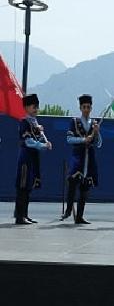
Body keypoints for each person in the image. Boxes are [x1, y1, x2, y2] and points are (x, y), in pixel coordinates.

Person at [61, 94, 102, 224]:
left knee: (85, 188)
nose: (86, 109)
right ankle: (68, 210)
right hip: (78, 156)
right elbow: (69, 139)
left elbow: (99, 143)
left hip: (89, 159)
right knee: (73, 183)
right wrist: (83, 139)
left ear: (91, 108)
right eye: (84, 107)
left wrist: (97, 132)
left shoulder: (94, 124)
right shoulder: (74, 122)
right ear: (80, 108)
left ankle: (79, 216)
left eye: (88, 107)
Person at [14, 94, 52, 225]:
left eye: (37, 106)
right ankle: (19, 216)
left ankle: (25, 214)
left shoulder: (35, 123)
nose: (36, 109)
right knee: (22, 187)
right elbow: (29, 141)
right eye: (33, 106)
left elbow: (38, 138)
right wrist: (42, 145)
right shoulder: (24, 122)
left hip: (33, 158)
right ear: (26, 108)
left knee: (28, 187)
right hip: (25, 158)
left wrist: (45, 142)